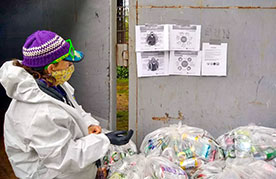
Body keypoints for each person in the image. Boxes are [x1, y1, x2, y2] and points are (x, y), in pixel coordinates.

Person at [0, 30, 133, 179]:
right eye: (68, 63)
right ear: (51, 68)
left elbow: (73, 109)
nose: (71, 67)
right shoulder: (38, 114)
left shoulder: (52, 84)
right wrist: (106, 140)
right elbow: (64, 158)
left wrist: (88, 124)